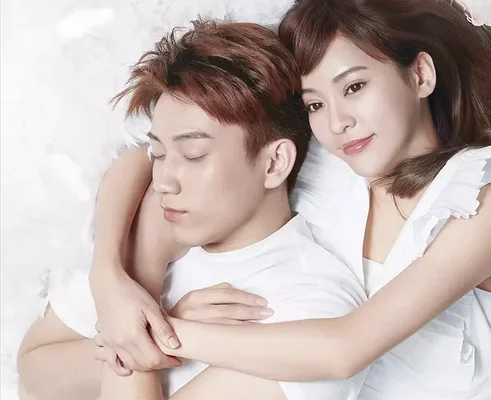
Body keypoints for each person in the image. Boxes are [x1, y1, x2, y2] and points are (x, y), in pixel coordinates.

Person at [74, 0, 491, 399]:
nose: (336, 121)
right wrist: (111, 281)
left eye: (354, 87)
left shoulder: (487, 203)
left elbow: (344, 350)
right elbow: (142, 157)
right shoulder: (341, 161)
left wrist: (153, 329)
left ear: (420, 75)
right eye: (315, 103)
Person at [17, 19, 368, 400]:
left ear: (274, 163)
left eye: (194, 155)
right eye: (159, 154)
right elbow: (33, 371)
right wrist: (153, 311)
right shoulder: (152, 230)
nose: (164, 181)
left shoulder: (311, 306)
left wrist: (148, 308)